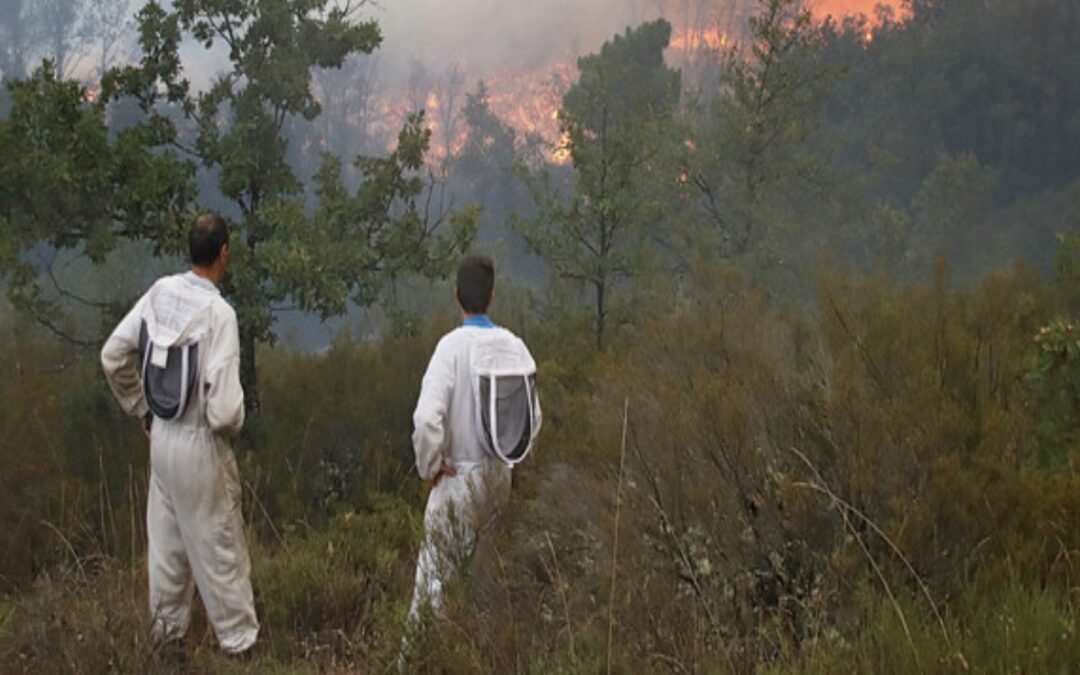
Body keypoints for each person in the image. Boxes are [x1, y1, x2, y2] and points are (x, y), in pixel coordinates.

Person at [101, 213, 259, 655]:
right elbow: (226, 410)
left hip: (163, 441)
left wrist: (143, 411)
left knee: (168, 552)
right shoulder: (219, 314)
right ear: (224, 253)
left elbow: (113, 355)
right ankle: (241, 648)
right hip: (200, 445)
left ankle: (167, 647)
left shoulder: (159, 293)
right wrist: (229, 425)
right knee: (220, 550)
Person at [401, 255, 542, 661]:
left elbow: (427, 418)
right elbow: (534, 419)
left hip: (458, 477)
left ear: (457, 295)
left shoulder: (451, 348)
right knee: (485, 584)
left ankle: (418, 664)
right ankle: (479, 661)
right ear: (492, 296)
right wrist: (515, 461)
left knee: (434, 585)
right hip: (499, 479)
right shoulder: (515, 346)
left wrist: (430, 466)